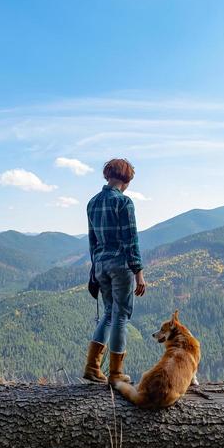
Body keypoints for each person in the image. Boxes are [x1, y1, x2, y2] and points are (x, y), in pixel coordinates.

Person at [84, 158, 146, 385]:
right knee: (121, 315)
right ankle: (117, 374)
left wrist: (94, 270)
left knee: (109, 313)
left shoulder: (92, 203)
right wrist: (138, 270)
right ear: (127, 180)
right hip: (120, 265)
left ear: (107, 175)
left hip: (100, 264)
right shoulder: (124, 203)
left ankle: (92, 367)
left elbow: (93, 241)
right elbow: (131, 239)